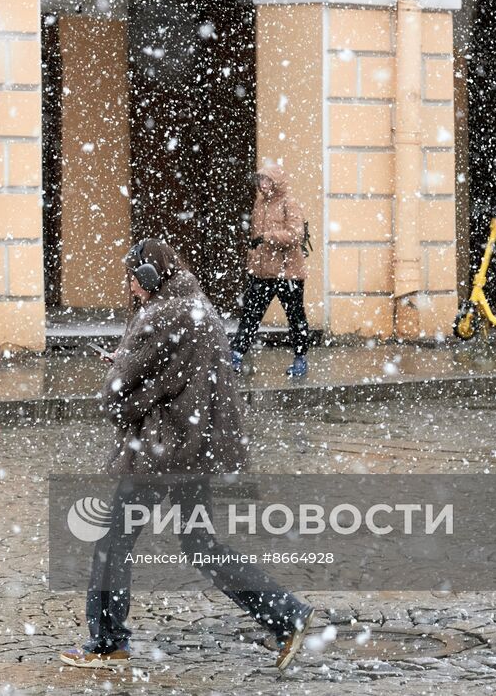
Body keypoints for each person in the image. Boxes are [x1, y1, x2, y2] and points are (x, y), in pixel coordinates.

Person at [60, 238, 313, 672]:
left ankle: (106, 642)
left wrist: (124, 377)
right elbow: (182, 377)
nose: (133, 289)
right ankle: (285, 614)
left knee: (112, 544)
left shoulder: (158, 316)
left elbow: (119, 397)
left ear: (148, 277)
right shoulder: (199, 306)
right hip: (195, 449)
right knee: (200, 542)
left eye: (135, 280)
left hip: (160, 451)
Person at [231, 160, 311, 378]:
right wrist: (253, 259)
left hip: (288, 273)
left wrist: (269, 237)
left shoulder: (288, 203)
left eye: (267, 180)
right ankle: (236, 355)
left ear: (276, 181)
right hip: (263, 272)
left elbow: (296, 235)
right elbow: (256, 237)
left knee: (295, 317)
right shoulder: (260, 204)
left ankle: (300, 358)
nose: (262, 184)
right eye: (260, 179)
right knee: (250, 314)